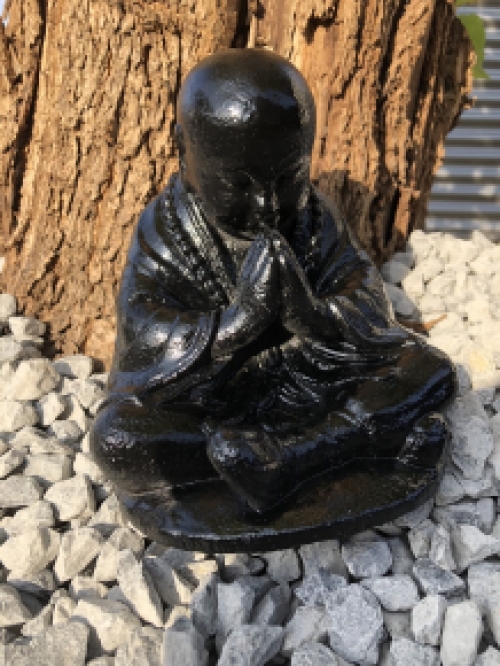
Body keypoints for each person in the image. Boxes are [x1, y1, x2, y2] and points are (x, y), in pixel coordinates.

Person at [90, 49, 457, 514]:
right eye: (238, 185)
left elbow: (362, 294)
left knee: (428, 369)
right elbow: (142, 329)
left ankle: (295, 458)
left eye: (288, 179)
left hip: (310, 381)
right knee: (119, 439)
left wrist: (311, 315)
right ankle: (347, 445)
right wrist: (236, 325)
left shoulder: (314, 217)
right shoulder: (165, 229)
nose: (266, 205)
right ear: (183, 149)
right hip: (217, 401)